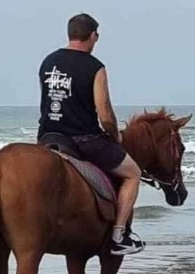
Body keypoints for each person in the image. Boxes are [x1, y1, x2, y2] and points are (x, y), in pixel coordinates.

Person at [37, 13, 144, 256]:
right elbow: (104, 114)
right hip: (82, 140)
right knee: (133, 174)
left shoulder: (48, 62)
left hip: (48, 137)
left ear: (70, 33)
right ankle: (119, 235)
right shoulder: (94, 67)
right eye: (97, 36)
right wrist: (114, 135)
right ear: (93, 36)